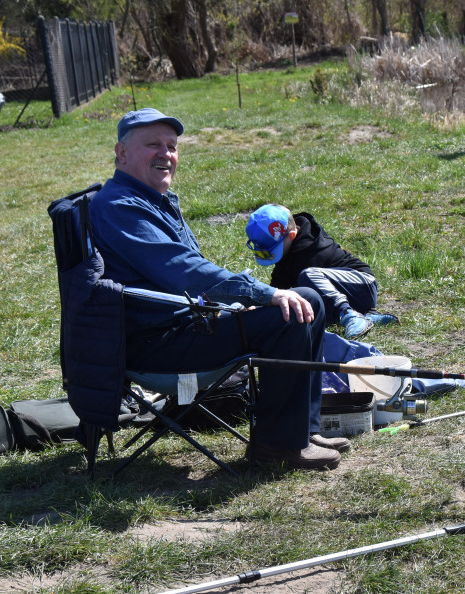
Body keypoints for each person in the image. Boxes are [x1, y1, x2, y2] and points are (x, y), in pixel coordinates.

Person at [89, 108, 346, 470]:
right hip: (157, 345)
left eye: (172, 146)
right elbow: (185, 272)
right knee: (288, 315)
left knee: (310, 301)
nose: (166, 154)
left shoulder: (151, 199)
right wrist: (262, 294)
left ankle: (302, 429)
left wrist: (236, 307)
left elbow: (188, 277)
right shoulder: (118, 206)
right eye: (153, 145)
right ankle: (277, 447)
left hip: (186, 326)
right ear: (122, 153)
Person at [245, 204, 399, 340]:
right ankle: (365, 316)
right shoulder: (287, 256)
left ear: (292, 235)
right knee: (309, 307)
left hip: (362, 284)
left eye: (271, 251)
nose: (270, 257)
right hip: (343, 294)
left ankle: (348, 314)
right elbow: (278, 292)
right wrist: (258, 308)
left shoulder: (310, 250)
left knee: (309, 276)